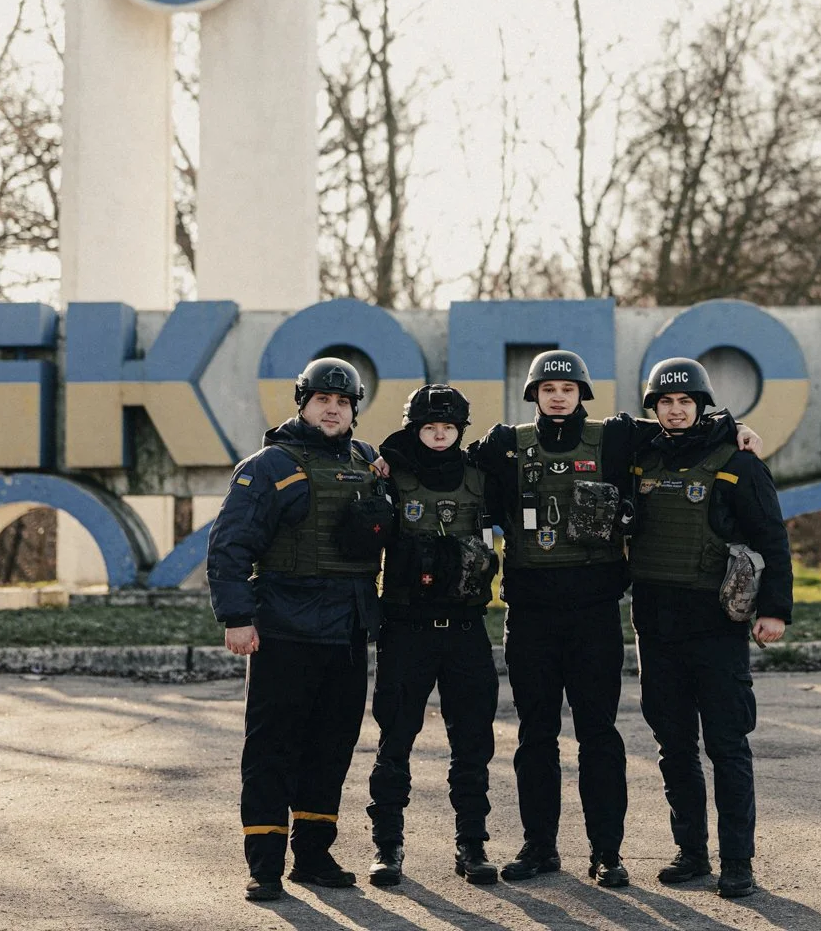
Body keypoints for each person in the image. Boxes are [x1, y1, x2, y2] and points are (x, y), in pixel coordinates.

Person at [473, 349, 766, 889]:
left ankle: (606, 852)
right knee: (535, 736)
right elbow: (441, 458)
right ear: (533, 394)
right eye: (547, 388)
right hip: (531, 614)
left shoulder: (616, 436)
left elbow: (687, 425)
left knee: (599, 736)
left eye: (568, 388)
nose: (557, 396)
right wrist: (386, 458)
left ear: (582, 393)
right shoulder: (504, 444)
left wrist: (739, 427)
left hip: (594, 614)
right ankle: (539, 848)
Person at [208, 357, 394, 903]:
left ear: (354, 410)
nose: (332, 410)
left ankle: (313, 856)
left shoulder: (368, 462)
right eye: (322, 401)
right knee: (272, 749)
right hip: (285, 629)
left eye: (342, 403)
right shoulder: (269, 465)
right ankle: (265, 865)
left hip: (348, 629)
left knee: (331, 746)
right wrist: (237, 617)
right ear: (303, 405)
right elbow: (229, 545)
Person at [627, 356, 793, 901]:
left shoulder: (737, 461)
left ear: (701, 406)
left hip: (717, 627)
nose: (676, 411)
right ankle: (692, 853)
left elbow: (772, 538)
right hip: (656, 624)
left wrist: (775, 610)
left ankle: (737, 862)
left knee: (726, 744)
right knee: (673, 744)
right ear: (653, 409)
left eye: (685, 402)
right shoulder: (640, 455)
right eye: (665, 403)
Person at [364, 384, 501, 889]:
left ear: (461, 431)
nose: (439, 435)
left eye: (448, 428)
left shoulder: (481, 479)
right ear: (413, 429)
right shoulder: (388, 475)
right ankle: (387, 846)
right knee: (395, 740)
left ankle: (472, 844)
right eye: (429, 427)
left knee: (472, 743)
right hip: (406, 630)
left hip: (465, 630)